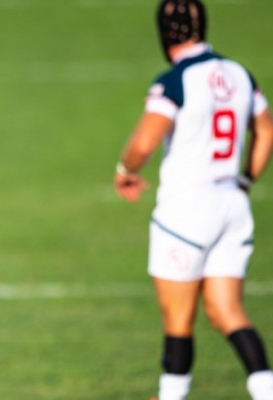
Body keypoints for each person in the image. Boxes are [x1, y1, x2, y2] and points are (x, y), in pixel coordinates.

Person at [113, 1, 273, 399]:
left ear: (164, 34)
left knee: (179, 319)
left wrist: (125, 170)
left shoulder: (175, 81)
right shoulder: (239, 73)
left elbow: (144, 143)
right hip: (232, 205)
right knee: (227, 312)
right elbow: (266, 132)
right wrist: (245, 183)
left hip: (186, 211)